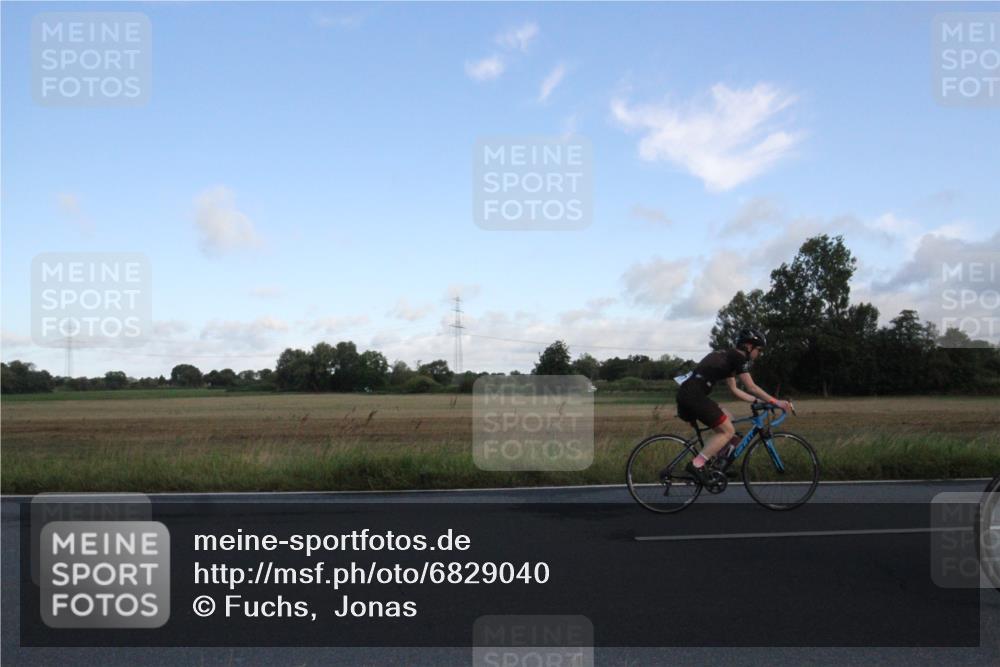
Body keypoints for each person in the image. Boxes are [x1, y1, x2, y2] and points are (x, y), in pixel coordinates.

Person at [675, 328, 790, 484]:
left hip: (688, 395)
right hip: (694, 396)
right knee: (727, 431)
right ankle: (697, 465)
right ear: (749, 346)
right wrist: (776, 402)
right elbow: (752, 387)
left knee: (729, 419)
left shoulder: (728, 357)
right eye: (759, 350)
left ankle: (718, 466)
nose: (760, 354)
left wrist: (759, 402)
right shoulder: (738, 358)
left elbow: (735, 390)